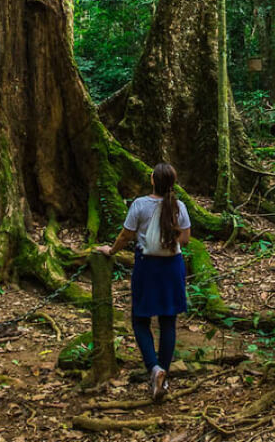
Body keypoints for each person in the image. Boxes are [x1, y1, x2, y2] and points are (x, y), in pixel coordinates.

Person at [95, 162, 191, 402]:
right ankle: (164, 376)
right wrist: (167, 238)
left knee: (140, 319)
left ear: (152, 181)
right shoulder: (179, 206)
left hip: (147, 267)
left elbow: (125, 235)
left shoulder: (139, 205)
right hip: (172, 267)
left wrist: (112, 250)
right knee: (168, 321)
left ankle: (154, 369)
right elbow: (186, 239)